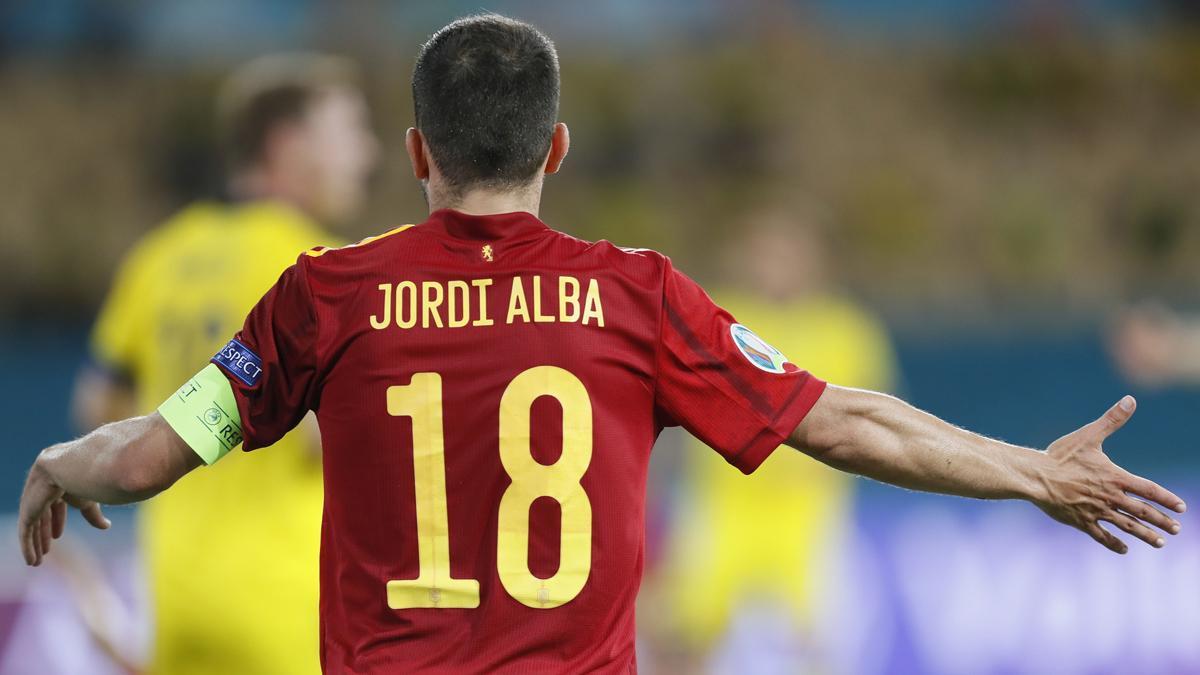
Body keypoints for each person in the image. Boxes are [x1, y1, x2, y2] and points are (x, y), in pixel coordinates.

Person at [19, 15, 1184, 674]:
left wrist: (60, 463)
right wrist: (1035, 469)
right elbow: (845, 419)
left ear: (418, 154)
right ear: (559, 150)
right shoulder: (638, 298)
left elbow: (152, 453)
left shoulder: (327, 296)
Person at [68, 54, 379, 675]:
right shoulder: (327, 270)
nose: (367, 153)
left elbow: (97, 410)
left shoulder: (160, 258)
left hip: (178, 613)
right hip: (293, 617)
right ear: (288, 144)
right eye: (348, 133)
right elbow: (343, 439)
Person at [660, 211, 898, 669]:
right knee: (686, 632)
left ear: (814, 261)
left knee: (822, 642)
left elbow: (875, 417)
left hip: (806, 513)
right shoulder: (719, 315)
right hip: (725, 504)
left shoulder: (846, 330)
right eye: (767, 254)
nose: (776, 266)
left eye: (787, 255)